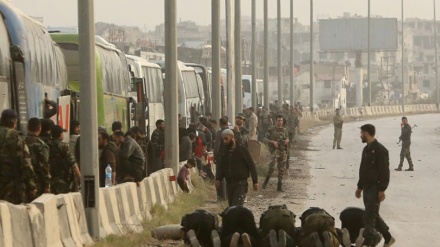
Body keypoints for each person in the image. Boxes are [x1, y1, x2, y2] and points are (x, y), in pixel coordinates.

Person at [356, 124, 396, 247]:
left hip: (375, 188)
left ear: (366, 133)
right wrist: (359, 186)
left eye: (361, 133)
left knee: (368, 217)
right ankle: (388, 238)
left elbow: (385, 172)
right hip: (367, 188)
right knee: (372, 214)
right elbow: (363, 169)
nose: (360, 135)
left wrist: (382, 189)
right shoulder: (366, 149)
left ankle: (369, 242)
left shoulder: (380, 150)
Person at [0, 109, 37, 204]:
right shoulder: (16, 137)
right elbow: (26, 163)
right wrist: (31, 187)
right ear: (14, 122)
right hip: (10, 187)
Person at [215, 129, 258, 206]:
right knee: (231, 206)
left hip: (241, 183)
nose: (224, 141)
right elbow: (222, 166)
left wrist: (255, 181)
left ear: (232, 137)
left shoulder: (242, 149)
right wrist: (218, 178)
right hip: (229, 183)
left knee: (237, 206)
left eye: (226, 139)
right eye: (223, 139)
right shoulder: (224, 151)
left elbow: (251, 165)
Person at [48, 125, 81, 194]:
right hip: (62, 180)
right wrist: (79, 177)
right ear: (60, 134)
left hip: (50, 180)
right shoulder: (63, 146)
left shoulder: (47, 145)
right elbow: (73, 164)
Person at [262, 114, 290, 192]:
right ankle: (266, 181)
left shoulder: (285, 130)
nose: (280, 122)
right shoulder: (271, 129)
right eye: (278, 120)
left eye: (281, 120)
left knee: (281, 169)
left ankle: (279, 186)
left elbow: (287, 138)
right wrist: (273, 142)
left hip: (282, 151)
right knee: (272, 167)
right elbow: (264, 139)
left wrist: (287, 140)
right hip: (274, 151)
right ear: (276, 121)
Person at [25, 118, 51, 196]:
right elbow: (44, 166)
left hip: (22, 183)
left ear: (27, 127)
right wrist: (47, 185)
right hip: (37, 183)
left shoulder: (21, 141)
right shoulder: (41, 145)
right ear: (39, 128)